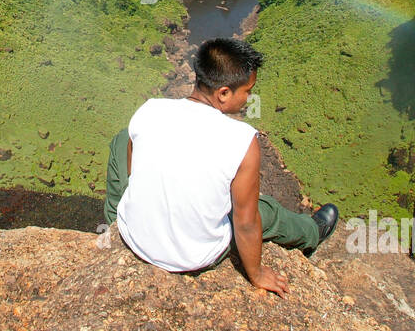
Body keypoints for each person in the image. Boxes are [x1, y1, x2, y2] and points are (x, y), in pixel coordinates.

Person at [104, 37, 339, 297]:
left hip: (135, 237)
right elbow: (246, 224)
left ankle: (116, 218)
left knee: (124, 138)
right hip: (195, 256)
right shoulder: (242, 140)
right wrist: (257, 275)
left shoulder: (151, 109)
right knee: (265, 210)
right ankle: (312, 233)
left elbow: (130, 163)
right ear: (224, 93)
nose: (250, 98)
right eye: (247, 91)